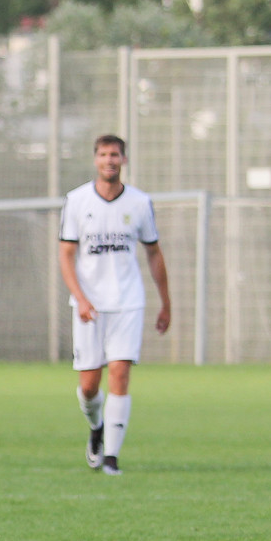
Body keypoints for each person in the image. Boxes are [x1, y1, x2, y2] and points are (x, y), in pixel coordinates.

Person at [59, 134, 170, 476]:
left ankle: (112, 458)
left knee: (120, 373)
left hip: (128, 302)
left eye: (116, 155)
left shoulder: (139, 202)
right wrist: (80, 297)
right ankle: (96, 429)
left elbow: (153, 253)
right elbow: (66, 253)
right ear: (96, 159)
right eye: (104, 154)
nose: (110, 160)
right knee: (90, 386)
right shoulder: (77, 201)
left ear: (123, 160)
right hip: (90, 306)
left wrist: (166, 303)